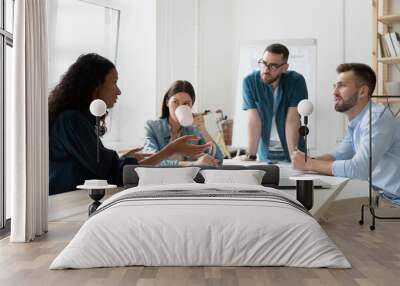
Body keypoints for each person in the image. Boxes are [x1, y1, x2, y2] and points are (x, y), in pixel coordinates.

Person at [49, 54, 211, 195]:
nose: (118, 91)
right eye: (114, 82)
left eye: (187, 103)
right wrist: (171, 150)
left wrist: (202, 129)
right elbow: (115, 173)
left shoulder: (79, 120)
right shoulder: (71, 120)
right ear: (96, 85)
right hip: (67, 201)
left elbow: (100, 165)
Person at [292, 63, 400, 200]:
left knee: (318, 217)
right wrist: (308, 159)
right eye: (334, 86)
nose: (334, 92)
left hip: (394, 202)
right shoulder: (357, 121)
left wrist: (309, 164)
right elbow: (339, 155)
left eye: (341, 86)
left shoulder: (377, 119)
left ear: (362, 92)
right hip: (381, 197)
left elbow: (359, 169)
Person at [241, 43, 308, 162]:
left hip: (292, 149)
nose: (266, 69)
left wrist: (295, 157)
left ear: (284, 67)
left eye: (273, 66)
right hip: (265, 152)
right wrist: (251, 155)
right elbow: (254, 119)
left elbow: (292, 119)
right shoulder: (250, 81)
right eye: (264, 63)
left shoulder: (296, 81)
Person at [143, 80, 223, 166]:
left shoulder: (194, 130)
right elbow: (150, 161)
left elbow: (218, 160)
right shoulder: (152, 127)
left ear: (191, 106)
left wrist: (203, 129)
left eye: (186, 103)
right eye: (175, 102)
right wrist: (191, 164)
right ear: (167, 102)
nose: (180, 107)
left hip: (187, 178)